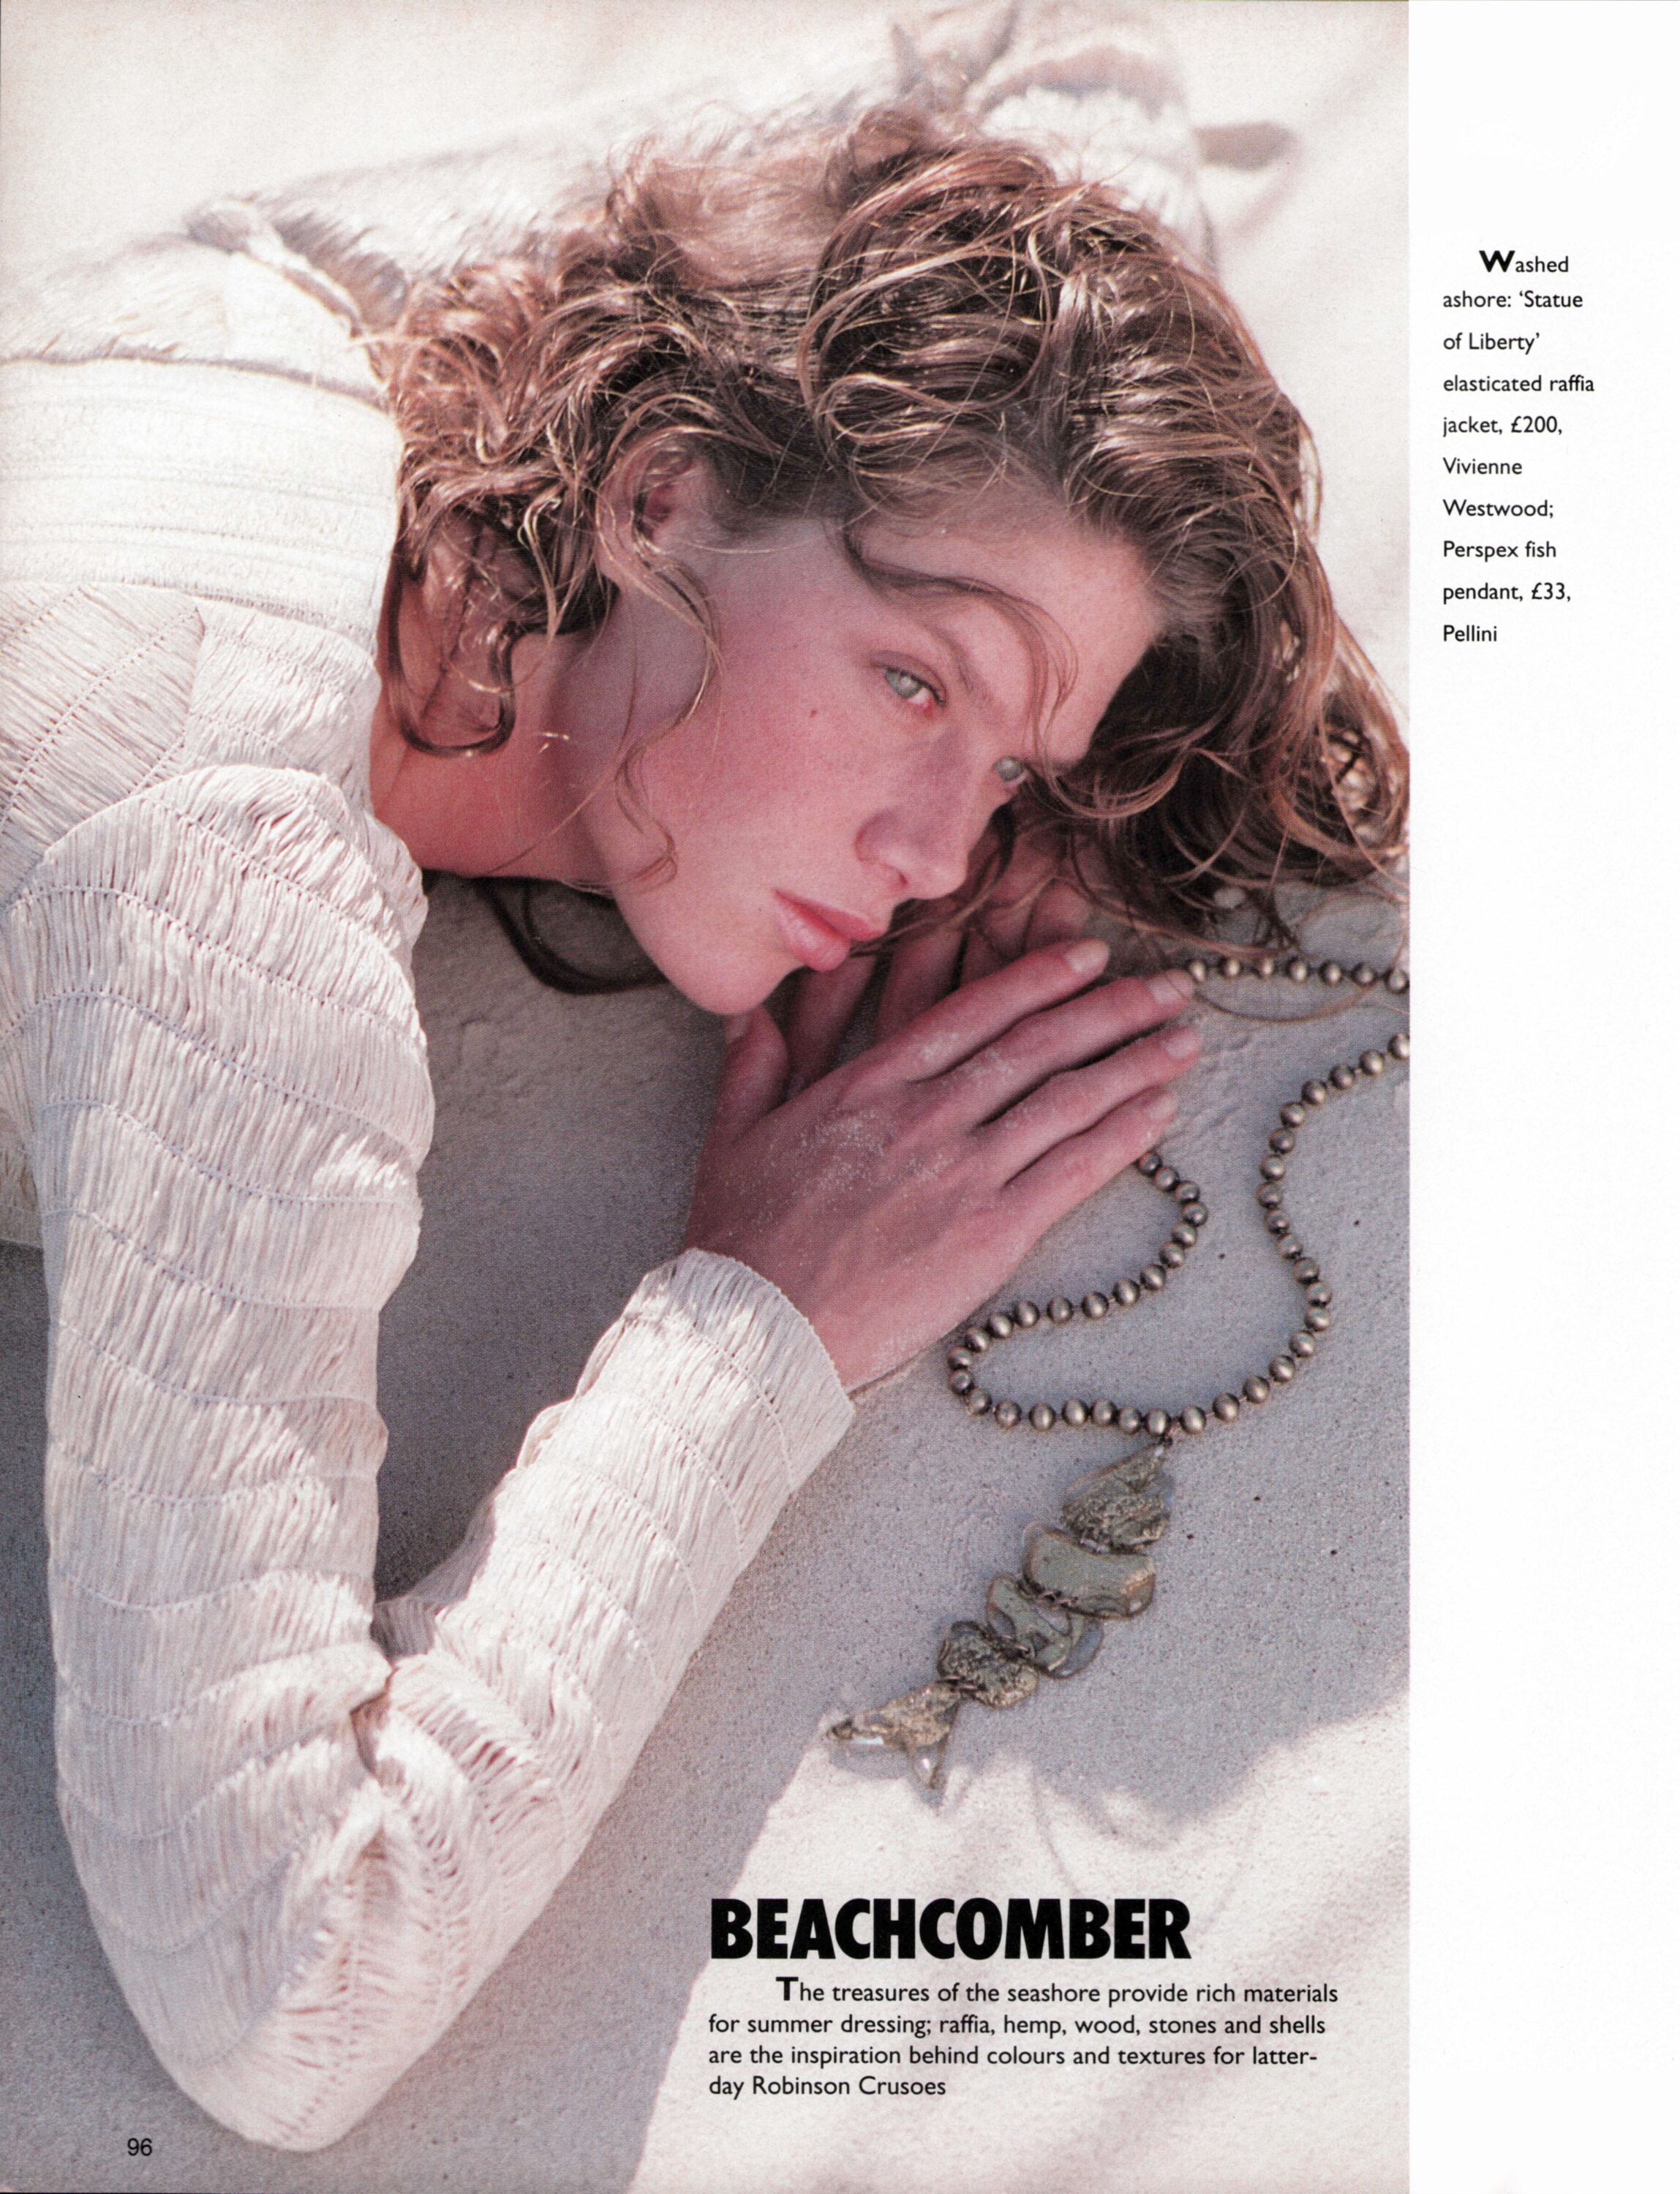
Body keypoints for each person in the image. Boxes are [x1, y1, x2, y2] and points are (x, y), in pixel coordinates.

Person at [0, 50, 1404, 2160]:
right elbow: (281, 1980)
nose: (936, 855)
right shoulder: (226, 893)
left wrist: (1059, 544)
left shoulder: (370, 316)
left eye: (1011, 774)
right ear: (657, 501)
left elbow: (1052, 50)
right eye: (912, 682)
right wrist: (766, 1316)